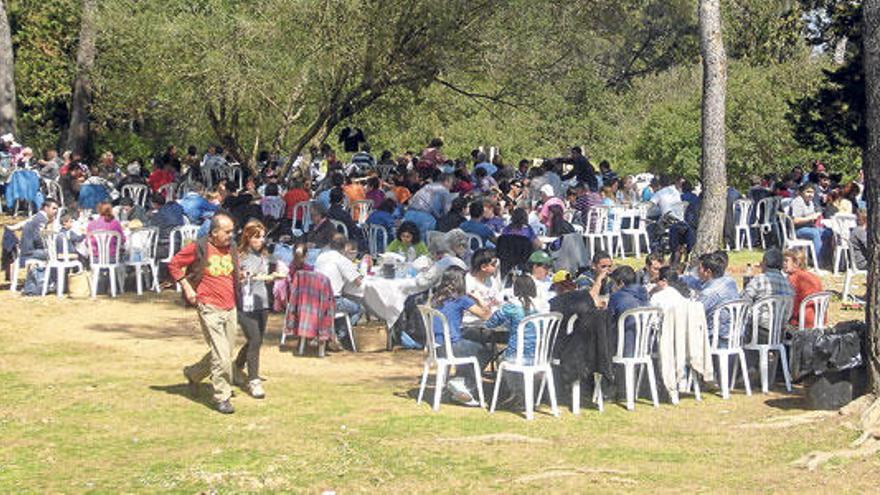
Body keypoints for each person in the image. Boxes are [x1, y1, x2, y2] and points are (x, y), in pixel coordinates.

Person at [173, 213, 240, 414]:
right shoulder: (199, 247)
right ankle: (222, 396)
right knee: (222, 355)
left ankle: (193, 374)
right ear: (214, 232)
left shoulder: (232, 247)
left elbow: (230, 272)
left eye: (232, 231)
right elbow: (174, 264)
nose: (231, 235)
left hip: (230, 306)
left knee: (225, 353)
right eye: (227, 232)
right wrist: (187, 287)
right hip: (209, 306)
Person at [234, 220, 284, 399]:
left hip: (261, 301)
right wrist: (254, 277)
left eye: (263, 237)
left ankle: (237, 366)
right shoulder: (240, 256)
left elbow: (265, 276)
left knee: (256, 340)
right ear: (248, 237)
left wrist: (272, 277)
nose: (261, 240)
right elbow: (239, 278)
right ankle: (254, 381)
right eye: (257, 237)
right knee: (254, 339)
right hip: (245, 304)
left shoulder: (264, 255)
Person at [430, 266, 492, 405]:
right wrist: (478, 298)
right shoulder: (461, 299)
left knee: (471, 341)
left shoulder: (435, 297)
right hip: (450, 346)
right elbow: (487, 315)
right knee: (487, 350)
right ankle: (463, 383)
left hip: (436, 346)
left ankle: (459, 381)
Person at [314, 234, 364, 347]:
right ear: (345, 247)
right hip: (332, 301)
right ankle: (339, 336)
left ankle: (334, 332)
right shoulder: (341, 259)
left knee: (345, 303)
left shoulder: (321, 256)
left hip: (315, 299)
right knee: (359, 308)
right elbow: (358, 282)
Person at [696, 252, 740, 347]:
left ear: (708, 272)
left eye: (699, 268)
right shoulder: (730, 282)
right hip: (736, 334)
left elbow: (694, 314)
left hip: (716, 338)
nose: (697, 271)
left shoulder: (710, 292)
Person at [788, 182, 832, 267]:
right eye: (808, 192)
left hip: (809, 227)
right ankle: (818, 262)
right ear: (802, 192)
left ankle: (826, 260)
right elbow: (795, 220)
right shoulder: (798, 202)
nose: (810, 195)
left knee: (827, 232)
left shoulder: (810, 203)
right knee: (815, 233)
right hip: (797, 230)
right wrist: (811, 218)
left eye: (812, 192)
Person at [607, 266, 649, 355]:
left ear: (621, 283)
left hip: (625, 345)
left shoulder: (617, 296)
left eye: (613, 283)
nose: (612, 286)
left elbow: (608, 319)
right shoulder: (644, 294)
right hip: (645, 346)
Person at [403, 172, 454, 239]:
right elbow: (447, 211)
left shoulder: (427, 186)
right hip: (425, 218)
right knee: (423, 244)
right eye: (451, 183)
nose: (451, 186)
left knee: (407, 241)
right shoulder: (444, 190)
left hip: (409, 214)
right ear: (446, 181)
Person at [783, 249, 823, 327]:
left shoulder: (793, 279)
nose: (783, 263)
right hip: (819, 320)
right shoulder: (813, 276)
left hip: (802, 321)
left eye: (786, 261)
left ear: (796, 263)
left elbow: (791, 306)